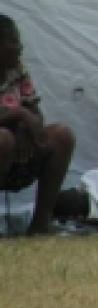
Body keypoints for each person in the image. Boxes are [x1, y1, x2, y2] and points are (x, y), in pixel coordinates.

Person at [0, 14, 76, 235]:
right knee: (2, 138)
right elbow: (22, 112)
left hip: (18, 152)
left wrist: (26, 125)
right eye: (13, 41)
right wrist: (19, 115)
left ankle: (41, 224)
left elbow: (35, 111)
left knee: (62, 135)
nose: (20, 47)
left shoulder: (17, 70)